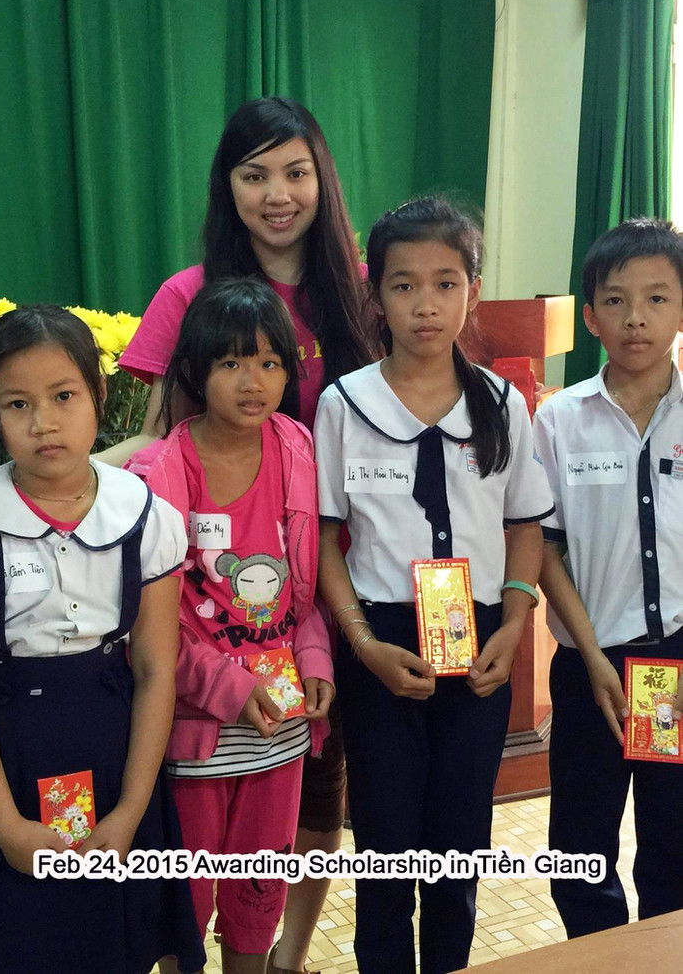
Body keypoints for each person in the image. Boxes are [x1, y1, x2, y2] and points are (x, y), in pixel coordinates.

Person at [110, 96, 373, 974]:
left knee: (311, 794)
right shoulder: (189, 294)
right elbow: (152, 433)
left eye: (296, 172)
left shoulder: (362, 288)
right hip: (206, 603)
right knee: (198, 823)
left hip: (329, 581)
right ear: (228, 186)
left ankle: (281, 957)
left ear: (322, 178)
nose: (277, 194)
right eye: (255, 175)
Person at [0, 306, 205, 974]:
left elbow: (155, 670)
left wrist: (130, 812)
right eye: (17, 404)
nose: (43, 423)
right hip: (4, 766)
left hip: (116, 756)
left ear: (100, 395)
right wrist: (6, 827)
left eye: (63, 396)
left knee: (110, 940)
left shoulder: (147, 516)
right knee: (7, 944)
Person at [314, 198, 553, 974]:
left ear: (472, 291)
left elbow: (525, 525)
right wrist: (362, 643)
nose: (426, 304)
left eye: (446, 283)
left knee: (459, 845)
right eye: (404, 284)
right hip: (379, 641)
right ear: (376, 296)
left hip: (478, 640)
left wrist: (513, 626)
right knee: (386, 848)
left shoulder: (503, 404)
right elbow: (323, 538)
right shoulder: (345, 405)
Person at [145, 278, 333, 974]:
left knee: (259, 893)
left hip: (280, 733)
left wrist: (315, 661)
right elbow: (151, 631)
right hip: (198, 737)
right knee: (186, 902)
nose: (252, 381)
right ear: (197, 371)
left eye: (269, 362)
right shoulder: (162, 470)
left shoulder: (296, 446)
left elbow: (302, 590)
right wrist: (228, 688)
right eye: (230, 363)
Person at [533, 218, 683, 938]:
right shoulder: (560, 420)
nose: (636, 318)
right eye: (617, 300)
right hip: (588, 664)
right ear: (590, 316)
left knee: (671, 839)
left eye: (657, 298)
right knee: (581, 847)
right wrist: (592, 656)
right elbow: (544, 548)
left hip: (668, 669)